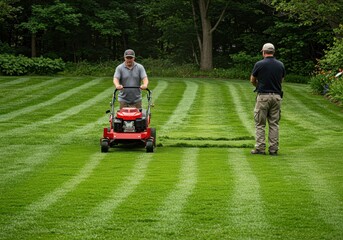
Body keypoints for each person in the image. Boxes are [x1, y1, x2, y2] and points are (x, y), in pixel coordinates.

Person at [250, 43, 285, 156]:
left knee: (260, 124)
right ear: (273, 52)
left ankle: (260, 148)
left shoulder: (259, 64)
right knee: (274, 124)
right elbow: (281, 80)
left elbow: (252, 80)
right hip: (277, 97)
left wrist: (258, 86)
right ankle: (273, 149)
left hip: (263, 96)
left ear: (264, 52)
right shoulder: (280, 65)